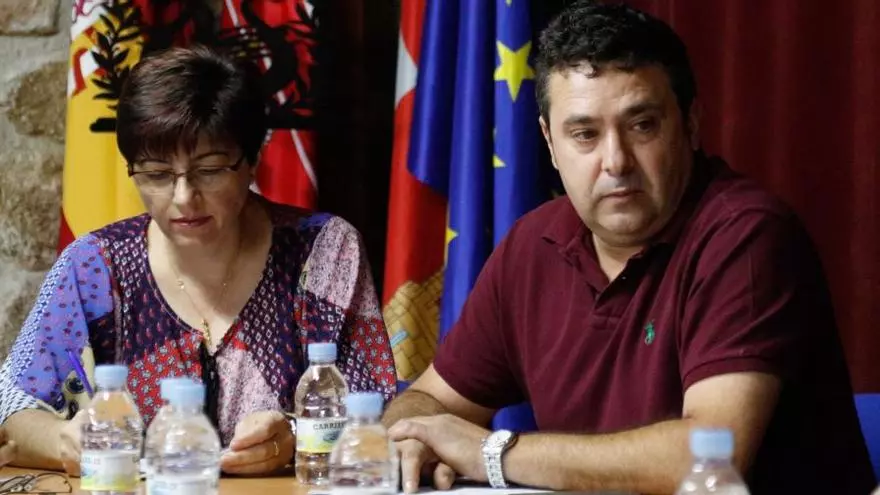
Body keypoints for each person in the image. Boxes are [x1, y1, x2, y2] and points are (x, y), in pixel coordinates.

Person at [382, 2, 874, 494]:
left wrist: (492, 452)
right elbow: (426, 401)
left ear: (690, 123)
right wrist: (414, 439)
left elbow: (709, 461)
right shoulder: (532, 245)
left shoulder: (746, 236)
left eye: (642, 125)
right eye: (585, 135)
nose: (616, 161)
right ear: (549, 143)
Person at [0, 46, 396, 477]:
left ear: (251, 161)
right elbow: (12, 407)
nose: (184, 198)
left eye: (209, 170)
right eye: (156, 174)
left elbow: (378, 410)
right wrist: (61, 439)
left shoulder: (322, 251)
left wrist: (296, 435)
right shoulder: (96, 265)